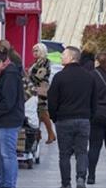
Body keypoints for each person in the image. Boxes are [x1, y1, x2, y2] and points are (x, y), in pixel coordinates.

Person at [48, 46, 97, 188]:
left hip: (64, 119)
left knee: (64, 154)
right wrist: (89, 116)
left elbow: (52, 100)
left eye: (64, 55)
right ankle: (81, 178)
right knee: (82, 152)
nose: (61, 57)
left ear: (71, 57)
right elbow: (94, 101)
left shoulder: (59, 77)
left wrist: (54, 117)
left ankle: (66, 183)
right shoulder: (89, 76)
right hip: (83, 120)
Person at [0, 49, 24, 188]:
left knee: (7, 154)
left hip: (8, 120)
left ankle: (9, 184)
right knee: (3, 154)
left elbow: (8, 101)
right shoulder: (4, 74)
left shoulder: (9, 75)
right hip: (2, 120)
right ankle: (2, 182)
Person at [29, 43, 56, 144]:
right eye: (33, 51)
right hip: (37, 87)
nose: (34, 53)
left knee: (43, 111)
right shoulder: (37, 61)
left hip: (41, 88)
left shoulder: (44, 61)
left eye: (37, 51)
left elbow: (39, 76)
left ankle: (51, 133)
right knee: (38, 111)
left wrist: (28, 78)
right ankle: (39, 134)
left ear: (42, 51)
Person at [87, 52, 106, 185]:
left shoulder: (92, 75)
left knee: (94, 146)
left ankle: (91, 176)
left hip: (97, 114)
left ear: (98, 61)